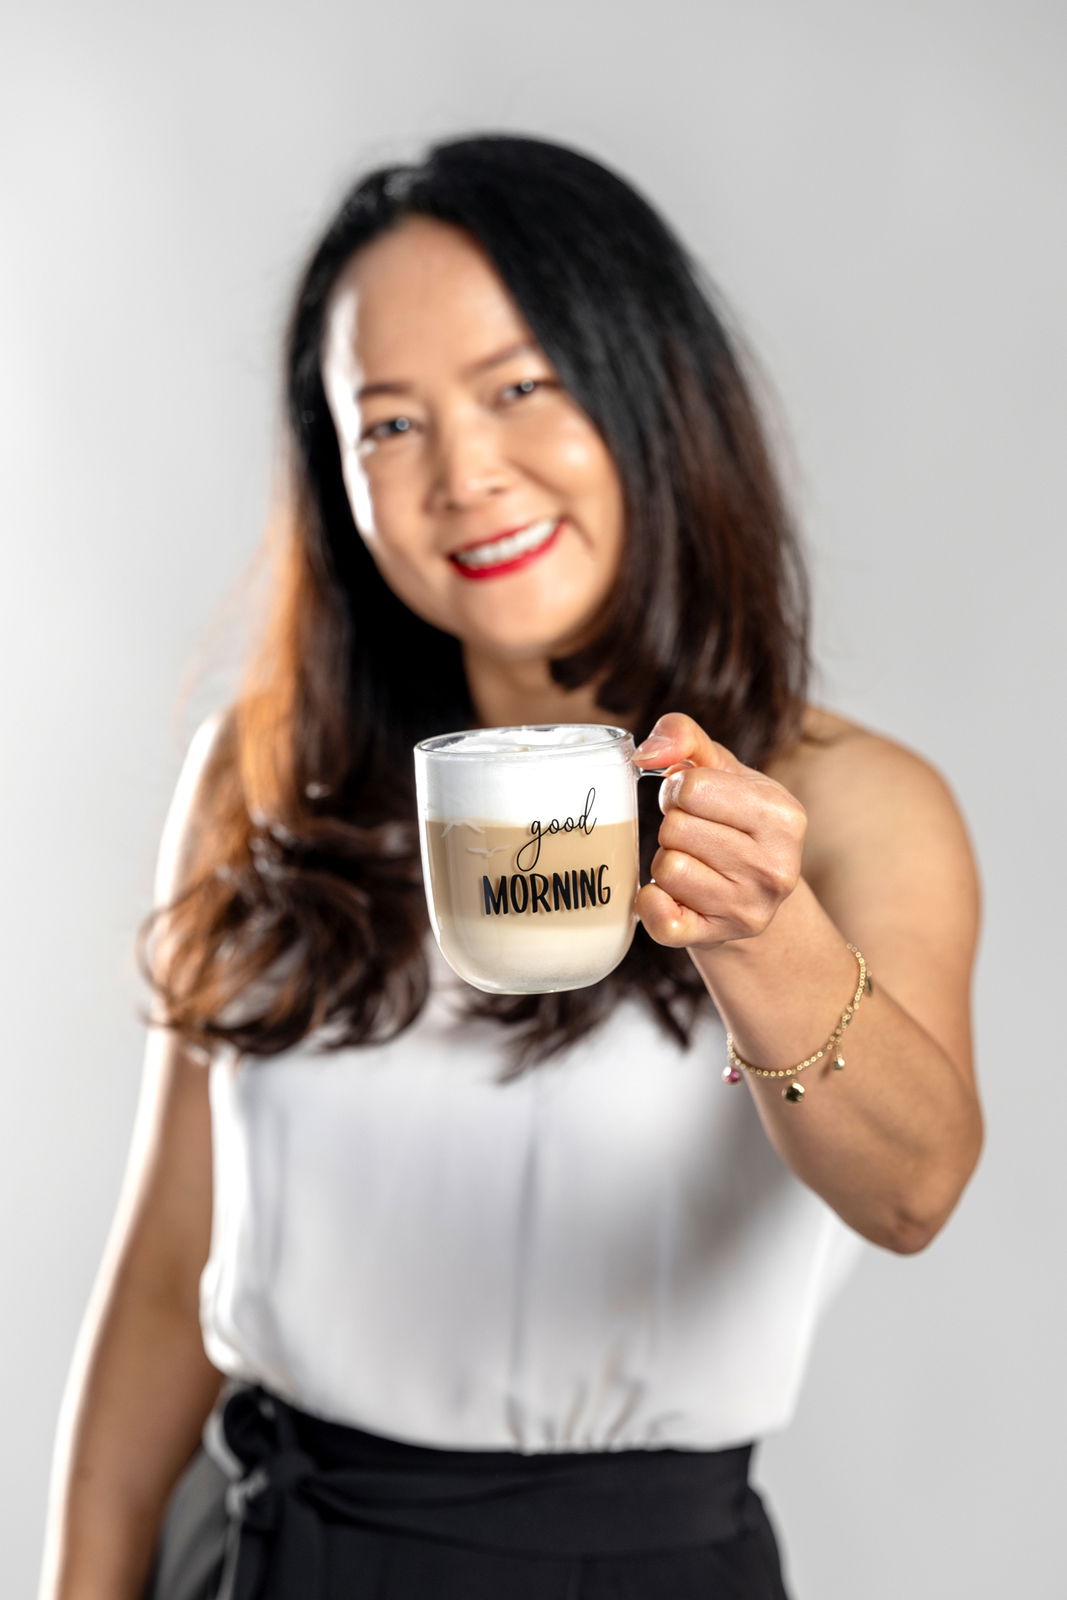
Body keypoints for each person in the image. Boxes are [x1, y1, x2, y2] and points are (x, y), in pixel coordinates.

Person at [38, 132, 984, 1600]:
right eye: (389, 425)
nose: (465, 475)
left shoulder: (845, 804)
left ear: (652, 391)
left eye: (520, 388)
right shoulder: (265, 769)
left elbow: (916, 1190)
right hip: (275, 1556)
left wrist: (760, 934)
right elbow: (167, 1277)